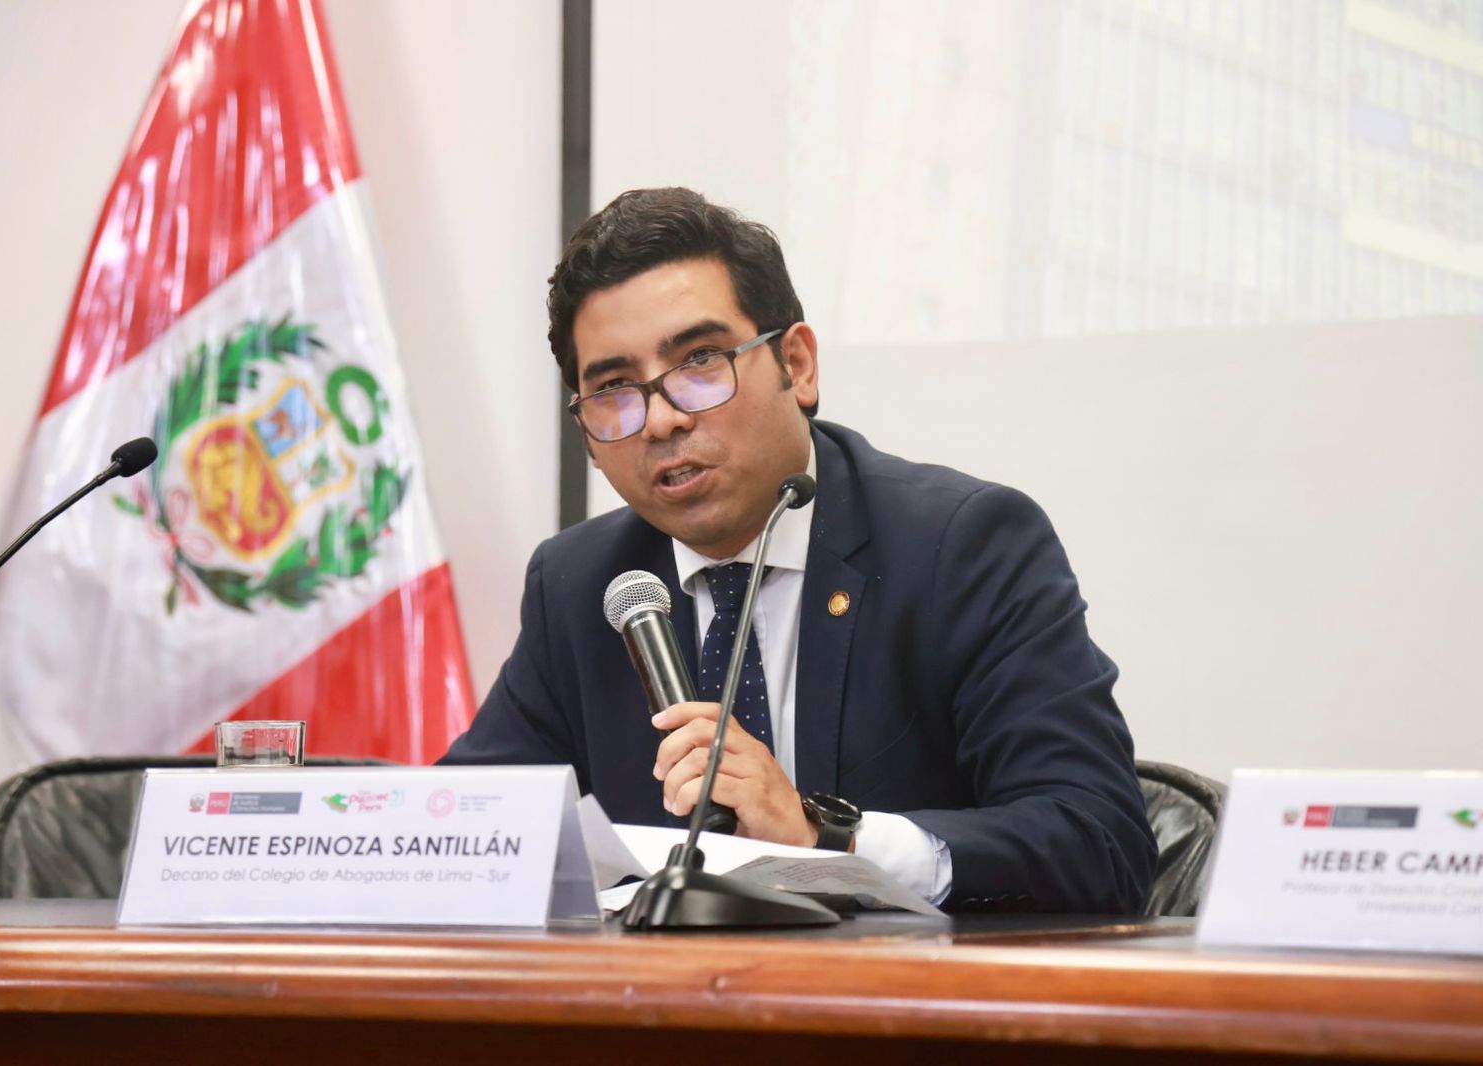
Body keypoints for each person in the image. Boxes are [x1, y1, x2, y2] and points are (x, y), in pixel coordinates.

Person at [441, 188, 1156, 913]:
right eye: (616, 390)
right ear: (590, 438)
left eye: (699, 362)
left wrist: (825, 837)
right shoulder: (580, 584)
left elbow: (1098, 840)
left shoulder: (962, 548)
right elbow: (468, 833)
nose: (660, 419)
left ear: (798, 365)